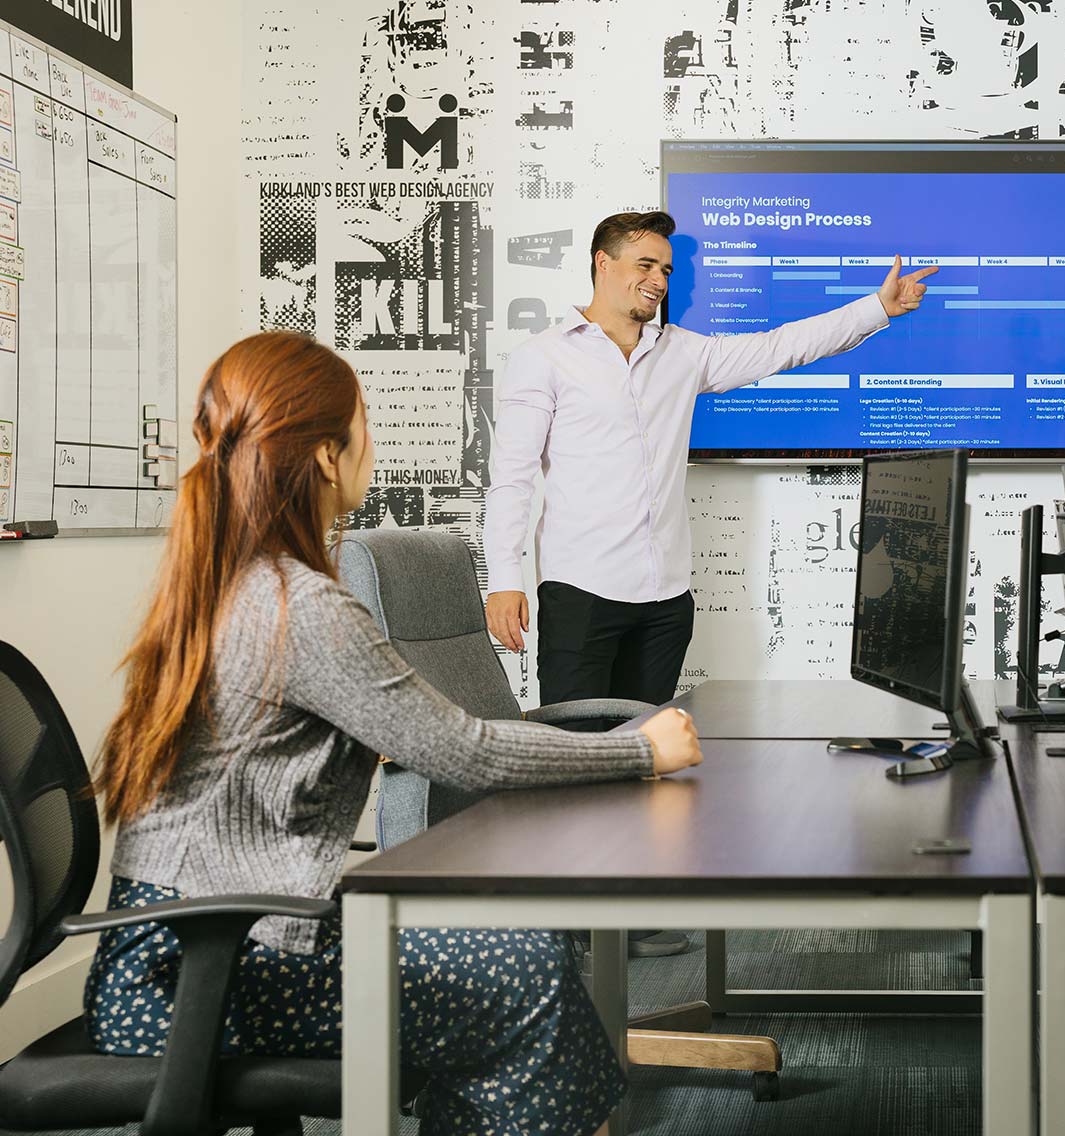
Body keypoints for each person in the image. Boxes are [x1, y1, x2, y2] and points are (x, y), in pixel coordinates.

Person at [86, 332, 705, 1136]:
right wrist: (639, 750)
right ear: (324, 457)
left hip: (188, 947)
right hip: (192, 976)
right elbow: (463, 749)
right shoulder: (297, 606)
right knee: (525, 972)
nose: (371, 443)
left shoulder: (237, 580)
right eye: (364, 426)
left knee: (502, 956)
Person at [483, 209, 934, 957]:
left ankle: (622, 925)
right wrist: (503, 579)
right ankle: (564, 931)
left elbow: (780, 348)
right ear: (602, 263)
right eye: (643, 265)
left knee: (644, 761)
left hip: (665, 598)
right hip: (580, 593)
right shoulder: (544, 360)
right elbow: (511, 479)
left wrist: (876, 308)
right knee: (571, 760)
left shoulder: (683, 353)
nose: (657, 280)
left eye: (665, 269)